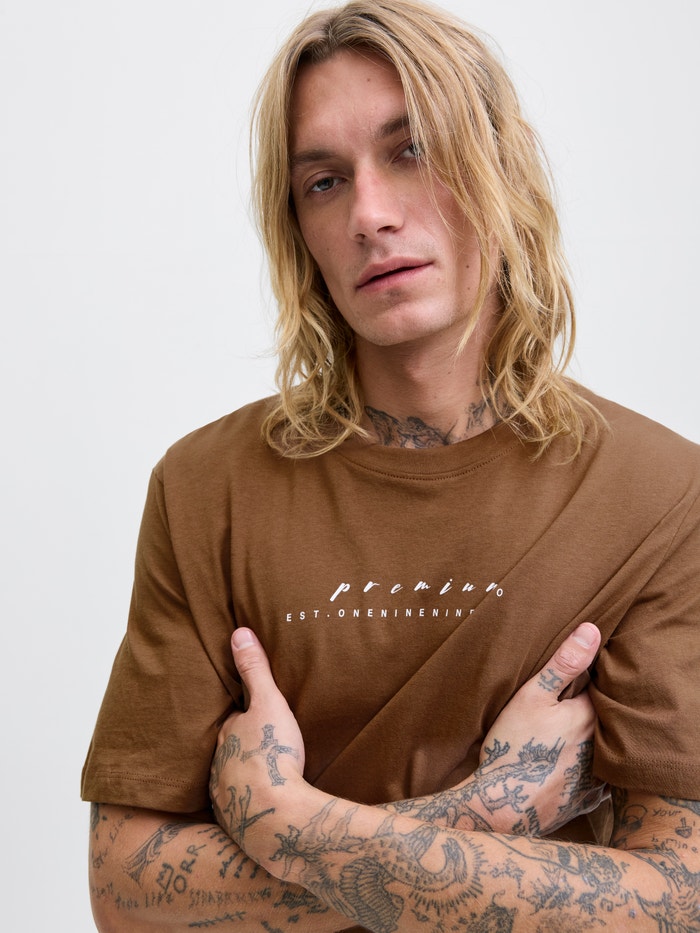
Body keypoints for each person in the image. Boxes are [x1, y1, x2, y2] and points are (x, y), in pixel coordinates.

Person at [82, 0, 700, 930]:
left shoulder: (661, 493)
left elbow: (681, 897)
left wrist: (284, 818)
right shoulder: (205, 487)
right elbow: (125, 890)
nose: (370, 214)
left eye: (411, 150)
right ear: (298, 230)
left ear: (500, 166)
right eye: (324, 182)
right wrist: (479, 815)